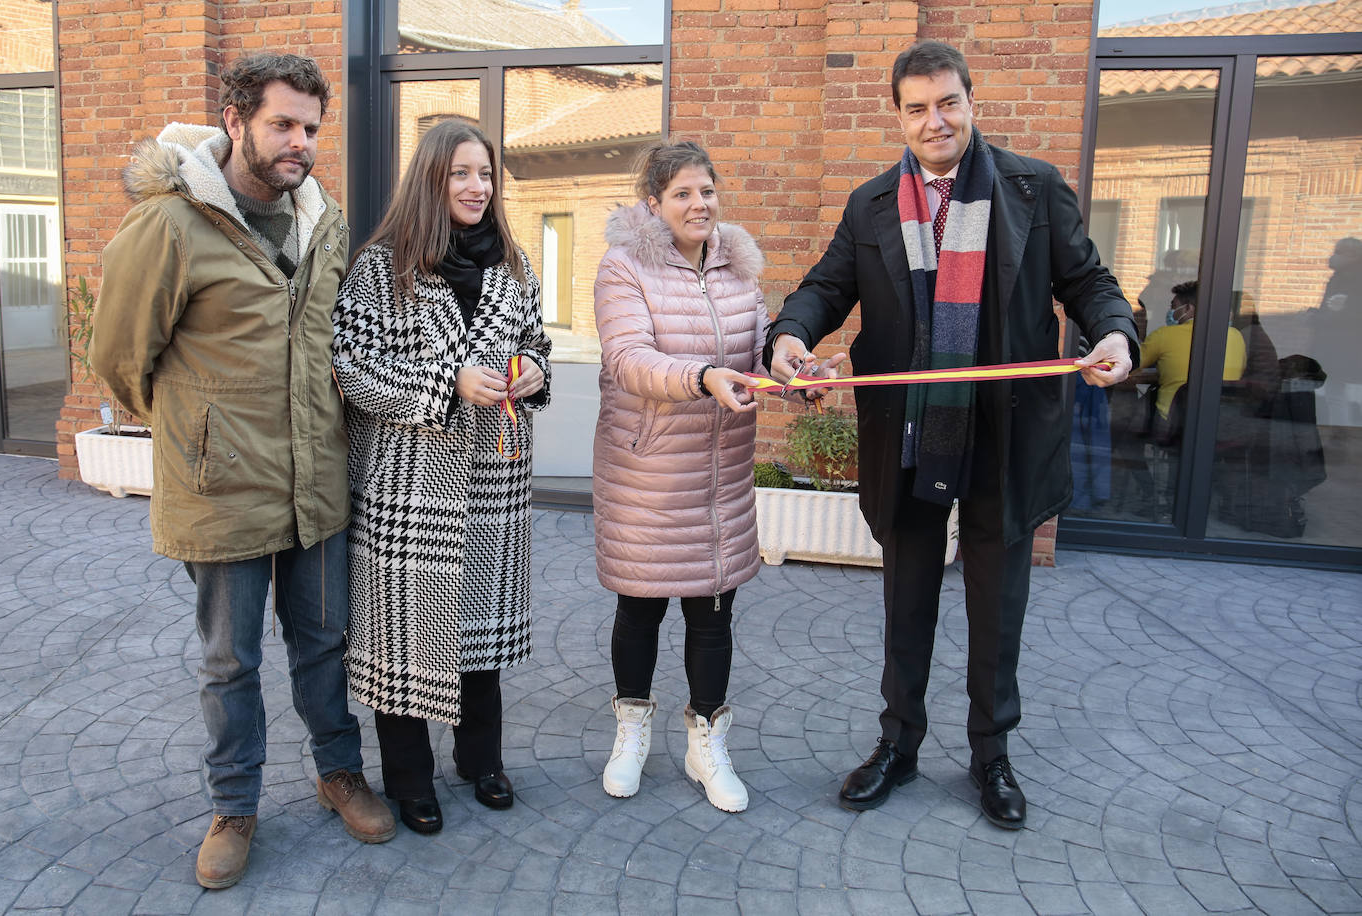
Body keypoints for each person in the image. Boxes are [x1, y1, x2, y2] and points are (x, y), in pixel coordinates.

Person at [765, 40, 1138, 829]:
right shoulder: (870, 204)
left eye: (948, 102)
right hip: (911, 435)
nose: (935, 120)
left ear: (972, 101)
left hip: (1004, 433)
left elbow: (1090, 282)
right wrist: (788, 339)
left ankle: (991, 755)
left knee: (997, 605)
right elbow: (824, 288)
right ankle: (898, 746)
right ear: (896, 115)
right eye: (917, 107)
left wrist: (1116, 335)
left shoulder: (1034, 187)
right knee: (906, 601)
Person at [90, 54, 394, 889]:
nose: (300, 142)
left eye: (310, 127)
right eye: (282, 124)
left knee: (324, 646)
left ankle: (339, 775)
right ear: (234, 121)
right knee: (230, 663)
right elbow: (118, 358)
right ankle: (234, 807)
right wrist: (200, 434)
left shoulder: (322, 221)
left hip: (316, 486)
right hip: (220, 492)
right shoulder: (170, 226)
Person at [332, 120, 552, 834]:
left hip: (492, 477)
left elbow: (536, 345)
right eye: (461, 173)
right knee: (403, 638)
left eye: (485, 174)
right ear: (431, 179)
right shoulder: (381, 267)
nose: (476, 187)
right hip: (407, 484)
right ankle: (408, 778)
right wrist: (444, 383)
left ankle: (480, 761)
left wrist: (533, 372)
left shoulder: (515, 266)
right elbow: (351, 369)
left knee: (477, 635)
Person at [591, 140, 767, 813]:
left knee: (713, 613)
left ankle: (706, 745)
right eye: (684, 193)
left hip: (719, 479)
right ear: (655, 203)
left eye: (708, 191)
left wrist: (793, 371)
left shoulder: (738, 268)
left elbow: (758, 345)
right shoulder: (623, 267)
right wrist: (700, 378)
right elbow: (630, 357)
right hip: (649, 477)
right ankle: (630, 734)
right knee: (639, 609)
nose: (700, 204)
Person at [1137, 280, 1247, 438]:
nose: (1171, 312)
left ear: (1188, 308)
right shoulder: (1236, 336)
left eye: (1173, 306)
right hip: (1224, 425)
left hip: (1173, 425)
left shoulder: (1165, 335)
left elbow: (1129, 366)